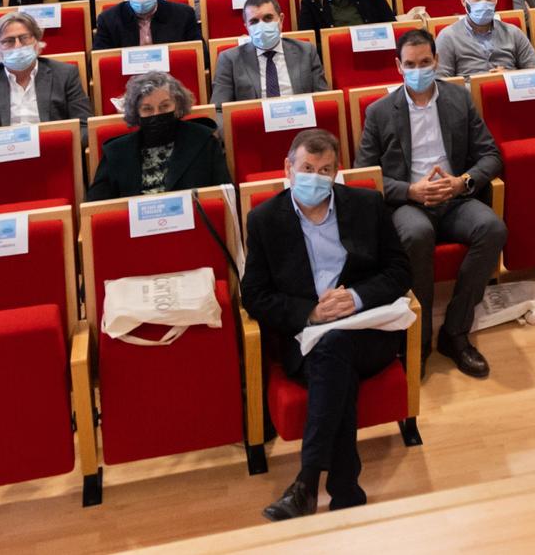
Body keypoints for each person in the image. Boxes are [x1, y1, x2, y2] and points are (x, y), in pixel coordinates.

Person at [242, 128, 410, 521]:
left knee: (336, 349)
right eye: (307, 168)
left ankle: (306, 483)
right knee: (334, 351)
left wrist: (357, 297)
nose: (315, 177)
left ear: (337, 171)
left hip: (368, 330)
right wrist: (310, 313)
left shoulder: (367, 204)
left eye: (325, 170)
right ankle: (344, 486)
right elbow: (254, 295)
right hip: (309, 338)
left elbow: (400, 270)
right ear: (288, 169)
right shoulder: (264, 219)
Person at [355, 31, 504, 375]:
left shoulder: (459, 98)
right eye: (410, 64)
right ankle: (418, 340)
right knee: (417, 234)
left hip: (454, 198)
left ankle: (455, 331)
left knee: (493, 228)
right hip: (409, 204)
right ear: (398, 66)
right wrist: (410, 191)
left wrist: (462, 182)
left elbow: (491, 155)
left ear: (436, 61)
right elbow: (365, 176)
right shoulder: (379, 112)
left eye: (425, 62)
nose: (418, 70)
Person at [85, 73, 226, 200]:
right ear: (136, 112)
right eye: (147, 109)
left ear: (177, 106)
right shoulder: (116, 152)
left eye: (164, 106)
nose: (157, 114)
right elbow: (95, 210)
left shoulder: (203, 141)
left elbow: (225, 198)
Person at [0, 11, 92, 128]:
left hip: (50, 147)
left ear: (37, 42)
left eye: (24, 38)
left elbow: (84, 126)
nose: (18, 46)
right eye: (9, 41)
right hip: (4, 149)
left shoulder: (65, 74)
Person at [213, 0, 331, 103]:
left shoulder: (306, 51)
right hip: (256, 117)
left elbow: (323, 100)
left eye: (268, 18)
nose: (261, 26)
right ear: (246, 27)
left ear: (281, 20)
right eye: (254, 21)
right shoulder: (229, 59)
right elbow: (219, 109)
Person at [434, 0, 535, 77]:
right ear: (463, 0)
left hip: (509, 88)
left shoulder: (513, 33)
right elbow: (440, 83)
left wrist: (511, 76)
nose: (484, 2)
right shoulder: (448, 37)